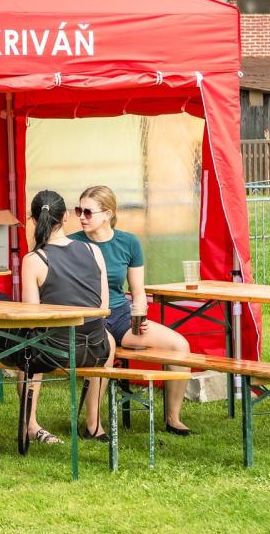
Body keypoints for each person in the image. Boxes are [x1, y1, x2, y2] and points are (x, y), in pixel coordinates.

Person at [70, 185, 193, 437]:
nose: (81, 216)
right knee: (104, 349)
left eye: (87, 212)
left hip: (120, 315)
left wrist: (140, 315)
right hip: (88, 318)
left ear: (108, 214)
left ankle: (173, 419)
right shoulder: (72, 244)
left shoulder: (128, 242)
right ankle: (93, 425)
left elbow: (137, 291)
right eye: (78, 211)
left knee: (179, 345)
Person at [10, 189, 112, 449]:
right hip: (96, 349)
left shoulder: (34, 259)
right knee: (104, 337)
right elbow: (103, 307)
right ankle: (93, 423)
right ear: (65, 216)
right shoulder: (93, 250)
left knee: (25, 344)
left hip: (56, 352)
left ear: (33, 220)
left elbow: (32, 318)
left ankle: (29, 424)